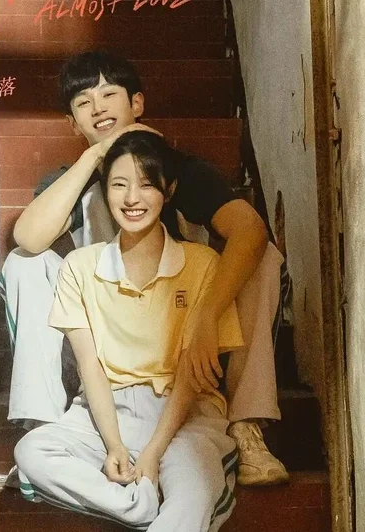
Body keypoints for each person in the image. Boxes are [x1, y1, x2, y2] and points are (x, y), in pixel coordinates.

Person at [0, 50, 288, 485]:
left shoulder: (178, 170)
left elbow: (250, 229)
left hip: (189, 338)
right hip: (103, 351)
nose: (98, 108)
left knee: (261, 257)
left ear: (137, 104)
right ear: (73, 124)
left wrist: (207, 315)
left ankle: (245, 426)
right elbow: (28, 236)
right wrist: (95, 157)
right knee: (25, 263)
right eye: (83, 102)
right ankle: (44, 424)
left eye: (108, 94)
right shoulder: (73, 180)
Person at [15, 131, 243, 532]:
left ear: (169, 190)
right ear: (105, 191)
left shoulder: (203, 264)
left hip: (185, 415)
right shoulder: (80, 266)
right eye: (119, 185)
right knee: (32, 451)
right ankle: (134, 508)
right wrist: (115, 445)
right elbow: (90, 367)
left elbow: (191, 374)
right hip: (105, 414)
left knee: (193, 495)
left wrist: (152, 452)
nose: (132, 198)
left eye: (147, 184)